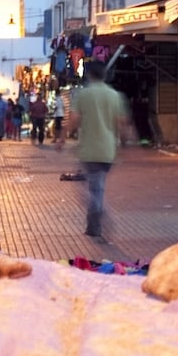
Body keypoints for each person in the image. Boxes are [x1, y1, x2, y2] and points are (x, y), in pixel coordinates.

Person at [66, 61, 129, 242]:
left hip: (89, 150)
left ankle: (100, 219)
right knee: (97, 186)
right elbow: (122, 123)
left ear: (89, 75)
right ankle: (93, 226)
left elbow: (74, 120)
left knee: (93, 190)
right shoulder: (115, 95)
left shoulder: (83, 95)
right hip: (108, 150)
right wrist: (124, 144)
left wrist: (63, 137)